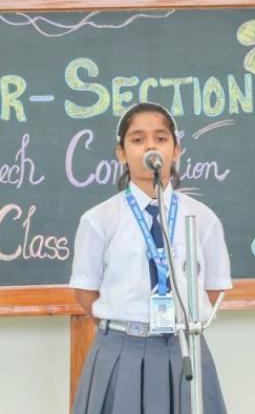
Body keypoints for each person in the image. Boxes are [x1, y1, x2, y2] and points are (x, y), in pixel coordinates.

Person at [69, 102, 232, 414]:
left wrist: (180, 322)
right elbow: (85, 290)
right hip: (120, 349)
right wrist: (127, 325)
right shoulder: (99, 219)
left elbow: (212, 287)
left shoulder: (202, 218)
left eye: (160, 138)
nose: (150, 146)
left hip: (183, 347)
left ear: (176, 150)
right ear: (121, 153)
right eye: (137, 139)